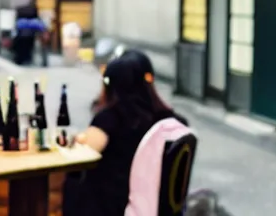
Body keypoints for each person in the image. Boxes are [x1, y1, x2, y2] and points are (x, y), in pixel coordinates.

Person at [62, 49, 188, 216]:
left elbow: (82, 154)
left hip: (116, 207)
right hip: (160, 208)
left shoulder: (110, 119)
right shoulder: (173, 123)